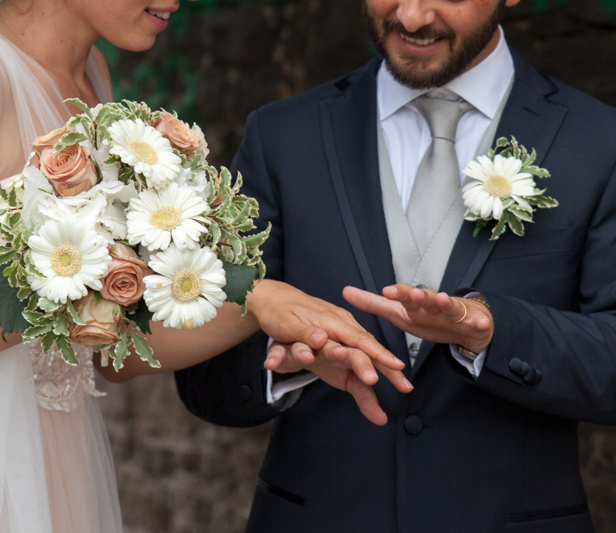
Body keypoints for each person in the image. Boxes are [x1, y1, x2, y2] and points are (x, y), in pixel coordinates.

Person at [0, 0, 411, 531]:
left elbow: (115, 346)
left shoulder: (91, 80)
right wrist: (62, 292)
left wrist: (262, 304)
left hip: (52, 466)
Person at [175, 0, 616, 531]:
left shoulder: (600, 143)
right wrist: (284, 362)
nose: (410, 17)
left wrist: (493, 333)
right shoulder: (282, 138)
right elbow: (204, 377)